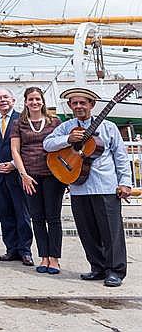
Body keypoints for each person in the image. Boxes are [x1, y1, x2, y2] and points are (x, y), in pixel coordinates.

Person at [43, 87, 132, 288]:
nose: (78, 106)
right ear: (69, 106)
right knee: (87, 231)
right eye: (74, 103)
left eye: (83, 102)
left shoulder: (109, 127)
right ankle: (98, 267)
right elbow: (47, 144)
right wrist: (68, 140)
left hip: (105, 186)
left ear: (92, 105)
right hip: (78, 186)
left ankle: (115, 270)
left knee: (111, 232)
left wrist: (125, 182)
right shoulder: (67, 127)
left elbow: (121, 156)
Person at [10, 87, 63, 274]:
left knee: (53, 217)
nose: (34, 102)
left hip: (53, 175)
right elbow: (15, 150)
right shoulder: (19, 123)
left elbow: (63, 145)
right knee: (37, 218)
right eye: (31, 99)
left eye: (37, 99)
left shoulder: (54, 121)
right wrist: (23, 174)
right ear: (25, 102)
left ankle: (55, 258)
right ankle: (44, 257)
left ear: (43, 101)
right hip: (30, 177)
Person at [0, 88, 33, 266]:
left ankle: (25, 251)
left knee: (22, 214)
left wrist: (14, 163)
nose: (2, 100)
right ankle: (11, 249)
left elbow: (27, 147)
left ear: (13, 99)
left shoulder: (23, 120)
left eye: (5, 97)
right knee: (4, 215)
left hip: (17, 175)